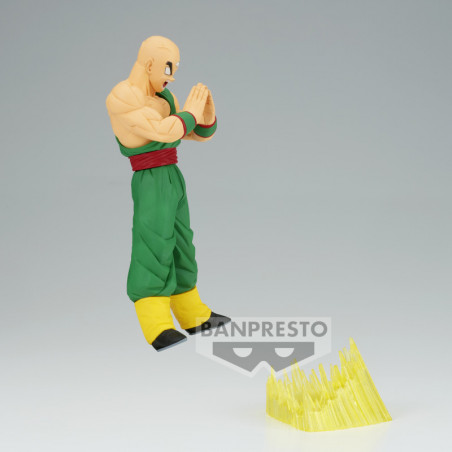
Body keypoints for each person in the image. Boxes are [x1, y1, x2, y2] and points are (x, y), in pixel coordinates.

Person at [106, 36, 230, 351]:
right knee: (153, 243)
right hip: (149, 177)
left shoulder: (165, 98)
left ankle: (191, 312)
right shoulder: (123, 96)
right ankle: (156, 323)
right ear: (150, 63)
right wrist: (190, 113)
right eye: (168, 67)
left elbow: (192, 133)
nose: (171, 76)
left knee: (181, 242)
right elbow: (164, 131)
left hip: (172, 174)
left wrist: (205, 115)